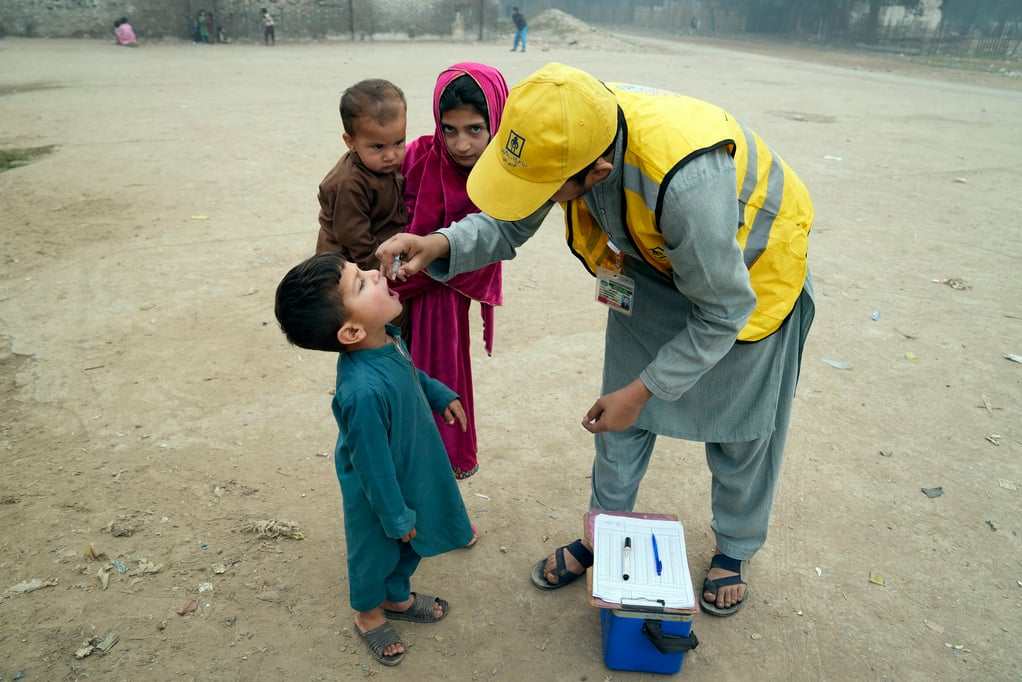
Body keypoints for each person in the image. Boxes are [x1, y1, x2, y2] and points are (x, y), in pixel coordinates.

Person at [377, 63, 815, 617]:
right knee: (616, 428)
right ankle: (604, 533)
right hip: (650, 264)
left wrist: (643, 390)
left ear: (598, 172)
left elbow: (725, 309)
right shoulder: (565, 125)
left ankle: (735, 546)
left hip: (747, 279)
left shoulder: (688, 183)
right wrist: (439, 243)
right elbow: (510, 219)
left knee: (739, 433)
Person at [274, 251, 474, 666]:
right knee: (374, 553)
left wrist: (438, 393)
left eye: (361, 269)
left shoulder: (387, 339)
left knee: (412, 543)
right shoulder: (361, 391)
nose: (374, 273)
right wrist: (393, 514)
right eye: (361, 283)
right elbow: (372, 465)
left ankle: (396, 598)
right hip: (377, 492)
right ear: (350, 331)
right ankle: (367, 615)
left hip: (410, 467)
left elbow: (411, 375)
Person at [393, 63, 507, 542]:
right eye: (451, 129)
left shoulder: (502, 179)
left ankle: (441, 513)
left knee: (439, 404)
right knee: (395, 402)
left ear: (497, 121)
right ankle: (401, 506)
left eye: (476, 129)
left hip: (442, 310)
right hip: (389, 300)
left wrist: (420, 267)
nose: (461, 144)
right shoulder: (418, 155)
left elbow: (486, 247)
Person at [315, 78, 410, 339]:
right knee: (383, 321)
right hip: (354, 266)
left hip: (378, 249)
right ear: (351, 141)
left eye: (398, 142)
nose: (391, 155)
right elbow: (354, 237)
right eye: (378, 147)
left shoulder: (381, 166)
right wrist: (382, 273)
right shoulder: (349, 183)